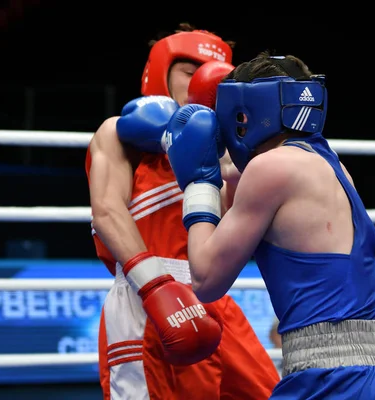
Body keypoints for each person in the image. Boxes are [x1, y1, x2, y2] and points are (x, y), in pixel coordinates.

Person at [164, 52, 375, 399]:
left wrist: (199, 183)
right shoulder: (334, 167)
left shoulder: (271, 169)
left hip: (330, 380)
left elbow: (206, 279)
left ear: (245, 111)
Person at [85, 24, 280, 400]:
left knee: (270, 393)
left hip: (212, 293)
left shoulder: (231, 146)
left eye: (213, 75)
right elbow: (106, 211)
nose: (201, 83)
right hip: (148, 293)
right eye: (190, 73)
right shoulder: (118, 133)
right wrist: (155, 285)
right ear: (160, 72)